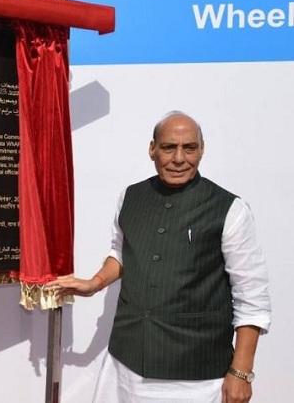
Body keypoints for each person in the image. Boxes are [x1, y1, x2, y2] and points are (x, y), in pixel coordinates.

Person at [49, 111, 271, 403]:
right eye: (169, 148)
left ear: (201, 151)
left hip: (197, 377)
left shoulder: (231, 209)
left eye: (189, 148)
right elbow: (121, 251)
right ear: (152, 149)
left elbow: (251, 297)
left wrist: (241, 372)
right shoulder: (131, 196)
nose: (179, 158)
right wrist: (96, 283)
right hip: (125, 368)